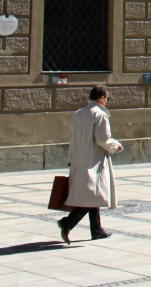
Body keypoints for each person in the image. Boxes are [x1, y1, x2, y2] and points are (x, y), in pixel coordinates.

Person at [58, 85, 123, 243]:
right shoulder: (100, 114)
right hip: (93, 160)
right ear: (101, 98)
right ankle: (68, 222)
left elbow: (72, 139)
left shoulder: (78, 114)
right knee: (94, 195)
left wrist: (71, 159)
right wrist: (116, 146)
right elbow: (102, 139)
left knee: (93, 194)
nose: (107, 101)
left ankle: (97, 230)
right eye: (107, 98)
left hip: (79, 159)